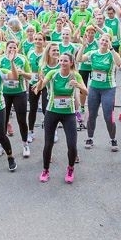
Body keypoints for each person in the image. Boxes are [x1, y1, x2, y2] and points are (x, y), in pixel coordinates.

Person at [34, 53, 87, 183]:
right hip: (52, 111)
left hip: (68, 113)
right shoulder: (52, 73)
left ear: (71, 63)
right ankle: (45, 170)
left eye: (65, 61)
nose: (62, 63)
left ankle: (70, 169)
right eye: (61, 60)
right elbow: (38, 89)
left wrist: (78, 85)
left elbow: (86, 92)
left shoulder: (76, 75)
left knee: (72, 145)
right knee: (48, 144)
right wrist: (41, 81)